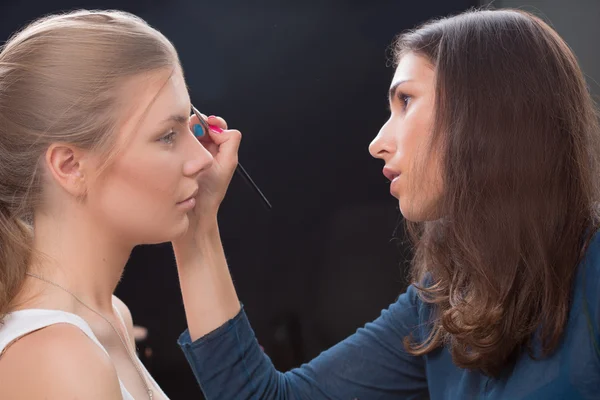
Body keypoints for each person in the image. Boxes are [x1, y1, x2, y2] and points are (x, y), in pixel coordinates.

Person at [175, 8, 600, 399]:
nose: (377, 143)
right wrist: (196, 226)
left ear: (490, 111)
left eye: (406, 101)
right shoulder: (442, 306)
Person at [0, 10, 241, 400]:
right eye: (167, 135)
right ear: (71, 165)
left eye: (190, 127)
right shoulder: (58, 358)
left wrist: (200, 221)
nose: (203, 159)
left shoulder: (111, 317)